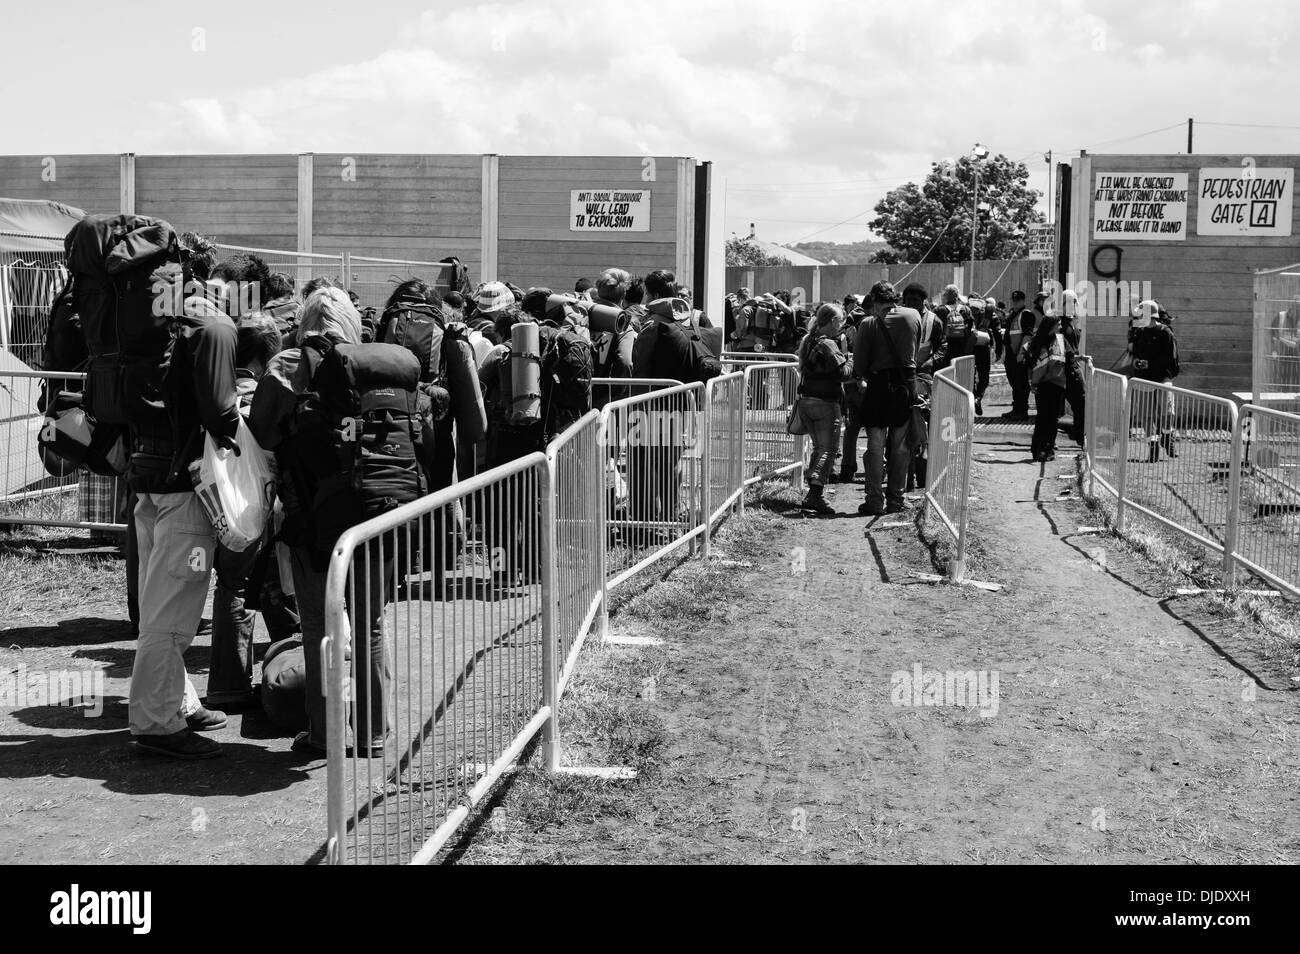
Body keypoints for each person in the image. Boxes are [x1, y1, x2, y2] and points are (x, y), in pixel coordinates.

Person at [127, 230, 241, 759]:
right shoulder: (210, 326)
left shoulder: (149, 323)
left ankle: (180, 703)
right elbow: (221, 415)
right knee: (172, 615)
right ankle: (155, 723)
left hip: (147, 482)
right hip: (187, 490)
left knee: (158, 606)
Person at [205, 315, 300, 710]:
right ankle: (293, 672)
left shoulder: (219, 393)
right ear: (265, 357)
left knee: (232, 585)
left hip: (226, 507)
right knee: (280, 584)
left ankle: (228, 686)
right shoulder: (266, 392)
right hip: (272, 501)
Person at [853, 282, 921, 516]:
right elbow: (916, 351)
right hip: (905, 385)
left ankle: (874, 500)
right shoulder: (913, 315)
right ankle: (896, 500)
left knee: (875, 446)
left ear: (873, 300)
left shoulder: (868, 324)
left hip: (878, 387)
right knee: (901, 447)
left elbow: (860, 365)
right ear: (895, 298)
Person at [796, 304, 852, 514]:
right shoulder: (828, 344)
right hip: (825, 402)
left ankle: (813, 490)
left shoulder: (809, 340)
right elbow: (843, 373)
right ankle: (815, 494)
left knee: (819, 448)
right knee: (828, 450)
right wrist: (851, 361)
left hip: (807, 401)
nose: (841, 324)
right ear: (831, 321)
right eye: (839, 320)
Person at [902, 282, 947, 490]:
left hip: (923, 380)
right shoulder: (899, 318)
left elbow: (942, 347)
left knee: (923, 428)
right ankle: (905, 479)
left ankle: (921, 479)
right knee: (902, 429)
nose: (911, 303)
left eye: (915, 300)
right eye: (908, 300)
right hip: (902, 380)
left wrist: (931, 362)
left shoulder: (933, 321)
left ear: (923, 301)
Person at [1127, 299, 1181, 462]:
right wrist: (1136, 362)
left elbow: (1172, 360)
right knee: (1146, 415)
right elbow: (1134, 353)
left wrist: (1151, 364)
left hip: (1162, 377)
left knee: (1168, 413)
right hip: (1143, 378)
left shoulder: (1166, 333)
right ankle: (1153, 445)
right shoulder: (1139, 333)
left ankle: (1166, 435)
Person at [1023, 310, 1070, 462]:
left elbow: (1032, 365)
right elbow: (1053, 363)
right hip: (1052, 384)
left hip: (1044, 385)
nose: (1061, 325)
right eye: (1059, 323)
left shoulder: (1038, 341)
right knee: (1049, 420)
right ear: (1052, 325)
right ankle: (1044, 450)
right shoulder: (1056, 341)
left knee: (1044, 418)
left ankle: (1040, 450)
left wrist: (1033, 382)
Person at [1001, 290, 1032, 420]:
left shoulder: (1025, 314)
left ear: (1023, 300)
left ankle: (1021, 411)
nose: (1015, 302)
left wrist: (1021, 353)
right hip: (1011, 355)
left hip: (1018, 355)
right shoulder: (1013, 314)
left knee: (1021, 384)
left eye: (1018, 300)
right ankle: (1016, 409)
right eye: (1013, 300)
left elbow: (1028, 335)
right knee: (1015, 383)